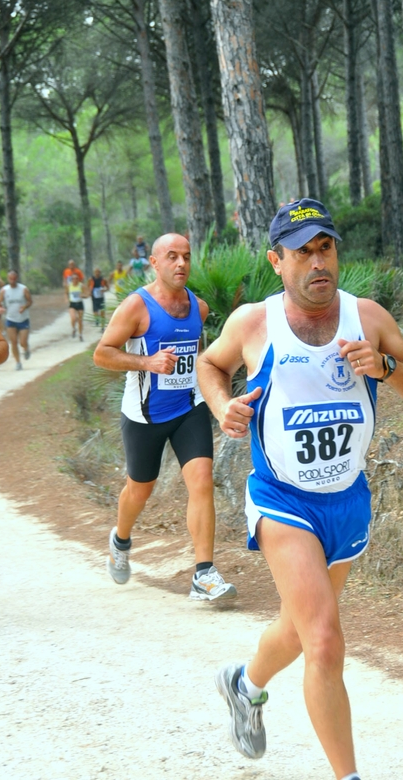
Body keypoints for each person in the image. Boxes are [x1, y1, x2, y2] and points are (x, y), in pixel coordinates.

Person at [196, 198, 403, 780]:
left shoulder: (367, 317)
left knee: (300, 628)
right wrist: (222, 404)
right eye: (302, 252)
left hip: (348, 500)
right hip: (283, 498)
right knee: (325, 640)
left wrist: (384, 367)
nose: (317, 262)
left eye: (324, 247)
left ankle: (245, 683)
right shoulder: (254, 323)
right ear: (277, 261)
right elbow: (211, 364)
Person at [93, 233, 237, 602]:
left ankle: (203, 573)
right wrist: (147, 363)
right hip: (144, 416)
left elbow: (200, 358)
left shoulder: (199, 308)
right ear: (154, 263)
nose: (181, 264)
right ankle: (121, 538)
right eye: (172, 257)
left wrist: (217, 400)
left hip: (188, 409)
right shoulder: (135, 307)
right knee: (140, 489)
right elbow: (102, 354)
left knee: (202, 480)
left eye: (186, 257)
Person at [0, 270, 33, 371]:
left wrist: (24, 307)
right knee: (13, 342)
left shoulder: (23, 289)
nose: (12, 280)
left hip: (23, 319)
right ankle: (18, 362)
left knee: (22, 342)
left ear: (17, 278)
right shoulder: (4, 290)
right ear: (8, 279)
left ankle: (26, 348)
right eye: (10, 278)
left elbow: (30, 301)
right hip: (10, 319)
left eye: (14, 278)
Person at [66, 271, 86, 341]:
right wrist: (66, 299)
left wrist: (83, 295)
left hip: (80, 303)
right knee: (73, 318)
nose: (75, 280)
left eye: (76, 278)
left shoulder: (81, 285)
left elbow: (86, 294)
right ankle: (73, 329)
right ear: (71, 279)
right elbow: (66, 293)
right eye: (73, 278)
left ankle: (80, 335)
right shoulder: (69, 286)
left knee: (80, 320)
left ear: (78, 279)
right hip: (72, 304)